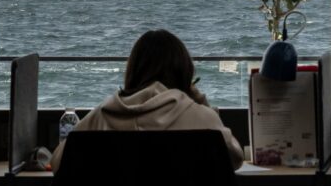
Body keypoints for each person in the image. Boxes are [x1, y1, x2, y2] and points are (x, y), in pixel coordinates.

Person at [49, 29, 244, 171]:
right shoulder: (201, 118)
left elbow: (58, 163)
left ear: (133, 71)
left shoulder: (102, 115)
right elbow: (235, 159)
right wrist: (201, 103)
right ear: (184, 72)